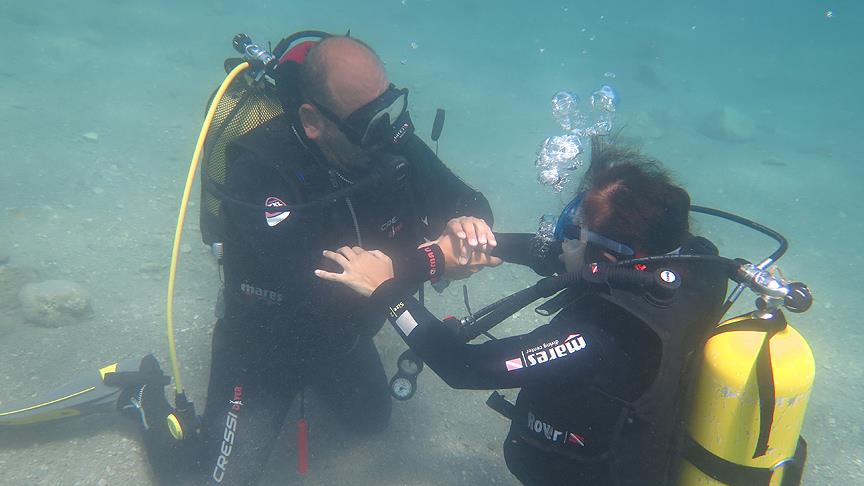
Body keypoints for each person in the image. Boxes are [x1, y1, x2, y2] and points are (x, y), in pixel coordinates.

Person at [126, 34, 496, 485]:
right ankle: (139, 395)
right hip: (262, 345)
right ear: (312, 120)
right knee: (214, 481)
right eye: (366, 121)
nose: (388, 130)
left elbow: (469, 200)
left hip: (340, 338)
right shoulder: (260, 170)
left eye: (392, 105)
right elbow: (320, 286)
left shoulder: (388, 135)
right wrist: (432, 259)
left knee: (371, 422)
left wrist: (468, 225)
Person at [316, 140, 730, 485]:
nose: (560, 240)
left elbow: (464, 367)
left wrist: (385, 290)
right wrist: (476, 243)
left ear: (607, 259)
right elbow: (562, 255)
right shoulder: (694, 265)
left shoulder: (605, 335)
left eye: (574, 232)